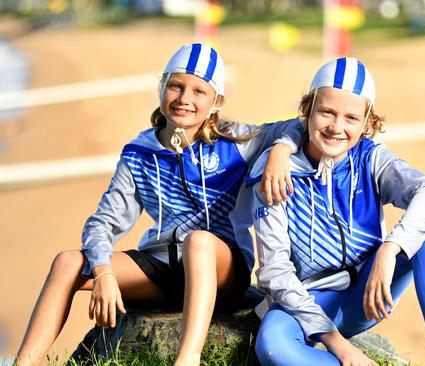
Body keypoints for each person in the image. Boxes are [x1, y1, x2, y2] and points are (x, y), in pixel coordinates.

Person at [15, 43, 302, 366]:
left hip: (223, 268)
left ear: (216, 102)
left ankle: (187, 359)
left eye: (199, 91)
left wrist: (279, 151)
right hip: (163, 267)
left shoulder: (235, 141)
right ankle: (24, 363)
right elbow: (102, 222)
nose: (184, 99)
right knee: (66, 262)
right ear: (162, 88)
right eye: (176, 86)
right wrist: (104, 272)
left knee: (199, 241)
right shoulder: (140, 152)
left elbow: (298, 125)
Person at [249, 57, 425, 366]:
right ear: (307, 111)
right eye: (327, 112)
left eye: (351, 118)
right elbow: (275, 271)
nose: (336, 127)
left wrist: (390, 248)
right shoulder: (276, 170)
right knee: (272, 347)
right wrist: (337, 344)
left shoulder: (370, 159)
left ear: (367, 124)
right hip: (303, 300)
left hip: (363, 297)